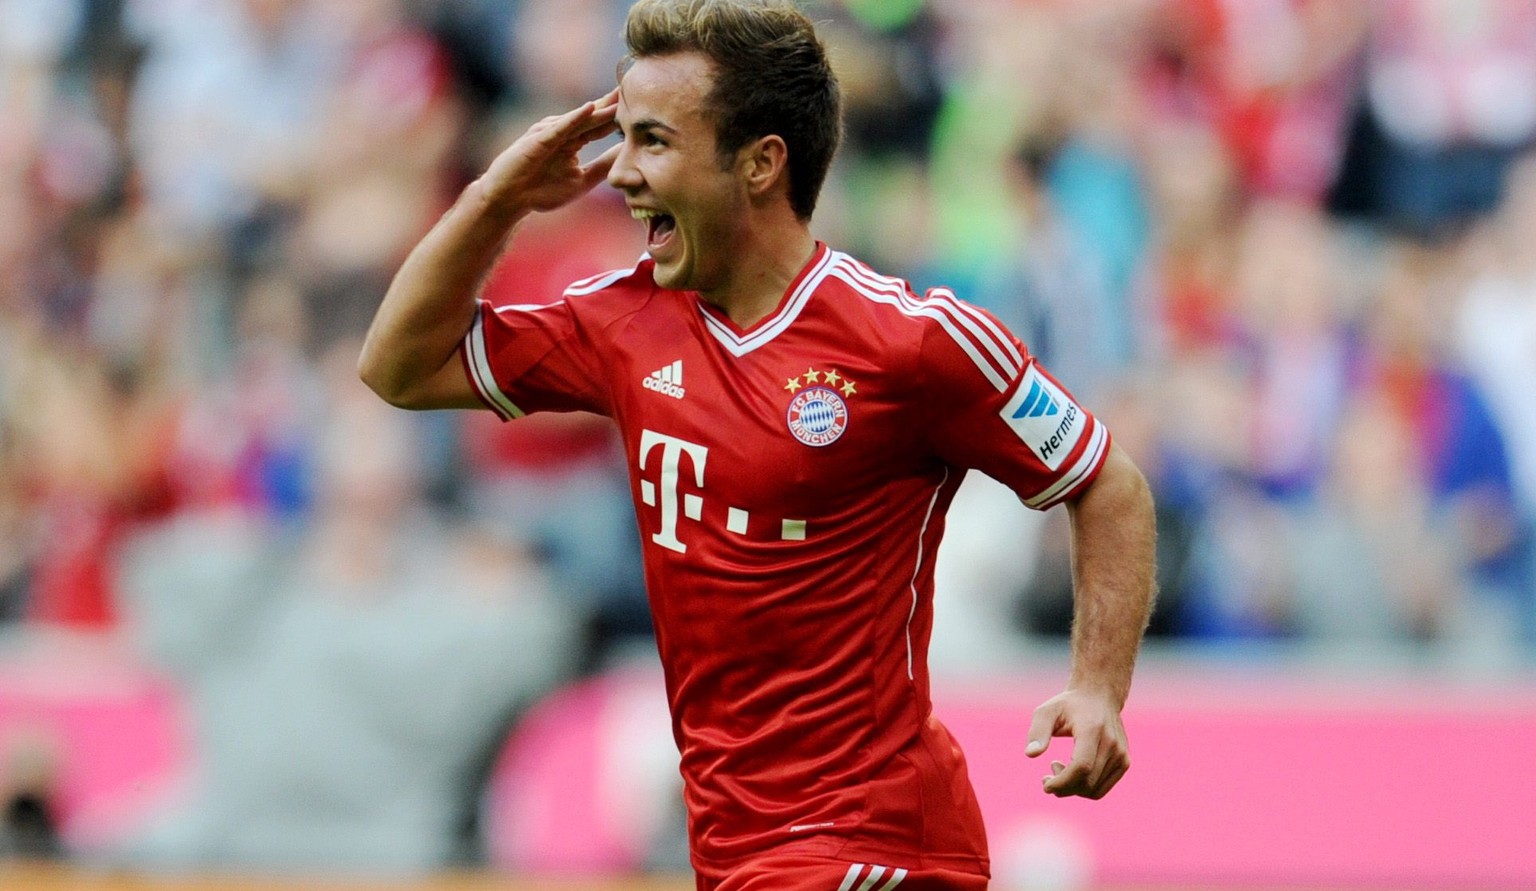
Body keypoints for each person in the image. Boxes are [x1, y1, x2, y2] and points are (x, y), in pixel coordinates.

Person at [358, 1, 1157, 888]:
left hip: (871, 839)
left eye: (653, 141)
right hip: (735, 844)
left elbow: (1105, 480)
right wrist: (496, 197)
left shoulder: (911, 342)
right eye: (622, 138)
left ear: (760, 163)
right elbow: (398, 367)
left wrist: (1097, 685)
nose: (620, 172)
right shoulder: (625, 322)